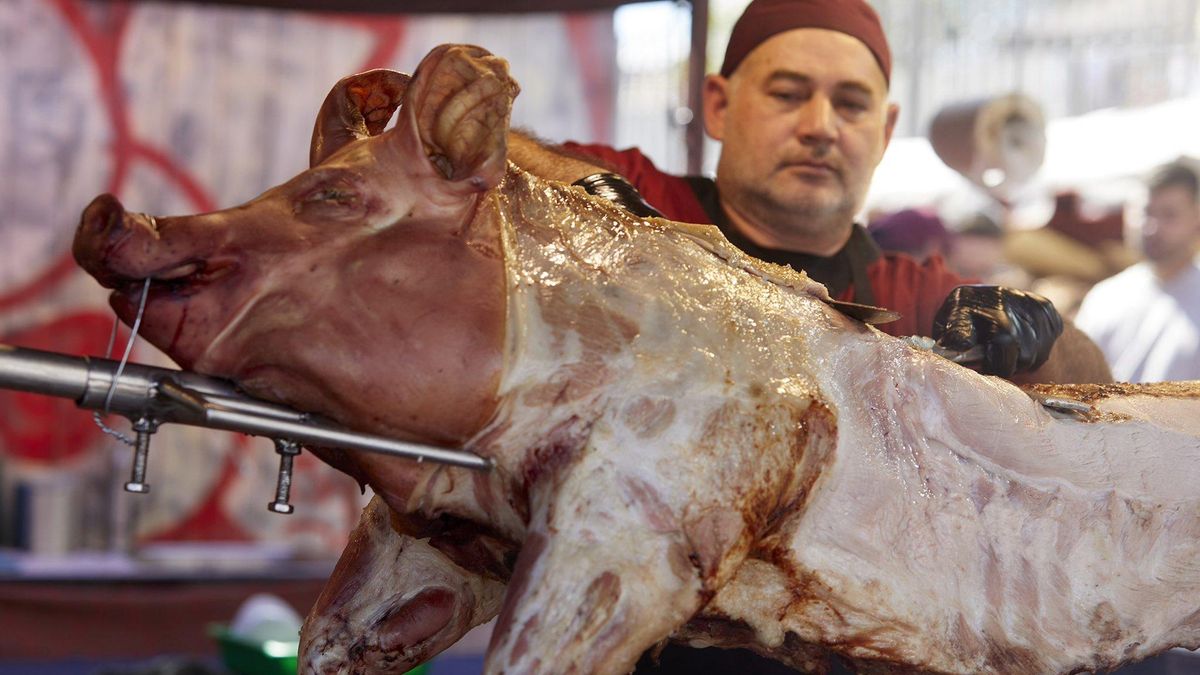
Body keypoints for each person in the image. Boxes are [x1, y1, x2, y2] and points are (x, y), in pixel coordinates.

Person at [511, 0, 1110, 388]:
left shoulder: (915, 298)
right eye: (788, 93)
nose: (821, 126)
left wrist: (1040, 338)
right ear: (719, 106)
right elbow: (480, 144)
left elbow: (1099, 388)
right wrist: (573, 194)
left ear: (885, 132)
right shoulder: (645, 198)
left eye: (851, 105)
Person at [1074, 161, 1200, 382]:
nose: (1151, 226)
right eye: (1145, 211)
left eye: (1169, 214)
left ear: (1196, 219)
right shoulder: (1103, 297)